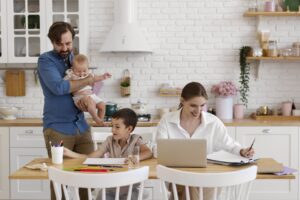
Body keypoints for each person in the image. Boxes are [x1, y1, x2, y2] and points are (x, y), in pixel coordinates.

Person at [37, 21, 107, 200]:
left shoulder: (75, 58)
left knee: (87, 178)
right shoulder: (46, 60)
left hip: (81, 127)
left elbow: (88, 89)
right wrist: (89, 80)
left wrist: (88, 98)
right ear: (52, 42)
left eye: (68, 43)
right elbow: (59, 88)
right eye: (59, 44)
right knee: (60, 181)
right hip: (58, 128)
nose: (65, 48)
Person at [155, 81, 255, 200]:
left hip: (208, 178)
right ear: (182, 101)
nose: (198, 110)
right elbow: (158, 150)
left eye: (202, 105)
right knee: (189, 183)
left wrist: (242, 151)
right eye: (193, 105)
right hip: (177, 178)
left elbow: (229, 144)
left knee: (195, 185)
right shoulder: (167, 121)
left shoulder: (213, 122)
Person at [64, 108, 153, 200]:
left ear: (129, 129)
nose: (112, 130)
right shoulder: (109, 140)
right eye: (112, 126)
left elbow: (148, 152)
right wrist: (70, 153)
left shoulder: (136, 139)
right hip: (111, 188)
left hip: (131, 189)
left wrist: (136, 157)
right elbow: (90, 157)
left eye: (117, 127)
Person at [64, 54, 111, 125]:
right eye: (78, 71)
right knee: (90, 101)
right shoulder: (71, 75)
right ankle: (96, 118)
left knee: (102, 105)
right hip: (79, 97)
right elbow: (63, 84)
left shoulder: (89, 75)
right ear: (73, 69)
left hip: (91, 95)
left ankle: (100, 121)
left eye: (84, 71)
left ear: (87, 69)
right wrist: (66, 79)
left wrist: (103, 76)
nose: (81, 74)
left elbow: (96, 78)